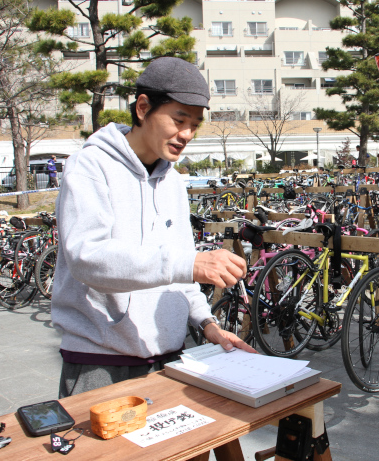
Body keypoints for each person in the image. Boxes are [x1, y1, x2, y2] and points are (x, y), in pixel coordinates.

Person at [52, 57, 255, 398]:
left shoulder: (173, 181)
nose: (186, 134)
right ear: (143, 108)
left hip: (170, 358)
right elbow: (86, 257)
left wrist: (207, 324)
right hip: (99, 361)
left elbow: (179, 268)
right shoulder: (89, 166)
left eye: (194, 125)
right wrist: (189, 265)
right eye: (179, 120)